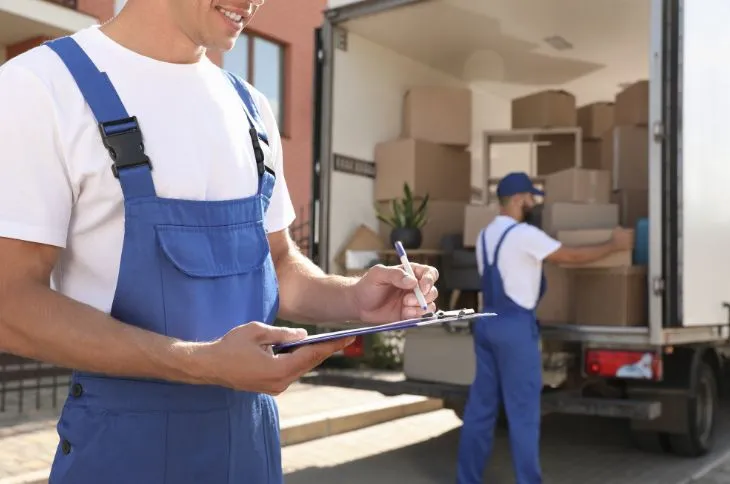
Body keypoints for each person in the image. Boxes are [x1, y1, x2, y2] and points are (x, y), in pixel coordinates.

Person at [0, 1, 439, 483]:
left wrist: (354, 296)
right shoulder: (40, 88)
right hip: (123, 454)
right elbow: (10, 304)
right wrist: (199, 364)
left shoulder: (250, 107)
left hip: (251, 450)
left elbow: (279, 262)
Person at [455, 172, 633, 484]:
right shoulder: (524, 235)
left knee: (481, 408)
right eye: (530, 198)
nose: (533, 203)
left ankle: (467, 479)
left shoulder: (485, 236)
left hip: (487, 324)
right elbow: (572, 256)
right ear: (517, 199)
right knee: (523, 412)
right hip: (514, 329)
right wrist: (613, 244)